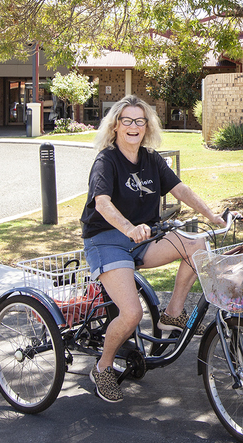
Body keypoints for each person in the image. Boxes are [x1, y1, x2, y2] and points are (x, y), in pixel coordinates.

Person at [81, 94, 225, 403]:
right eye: (127, 120)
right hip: (107, 240)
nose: (133, 126)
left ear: (147, 126)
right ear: (116, 126)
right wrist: (129, 228)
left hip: (142, 240)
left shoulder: (151, 158)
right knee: (131, 313)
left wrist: (212, 216)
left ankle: (171, 313)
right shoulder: (106, 160)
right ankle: (104, 366)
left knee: (197, 245)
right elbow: (102, 203)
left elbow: (180, 189)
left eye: (140, 121)